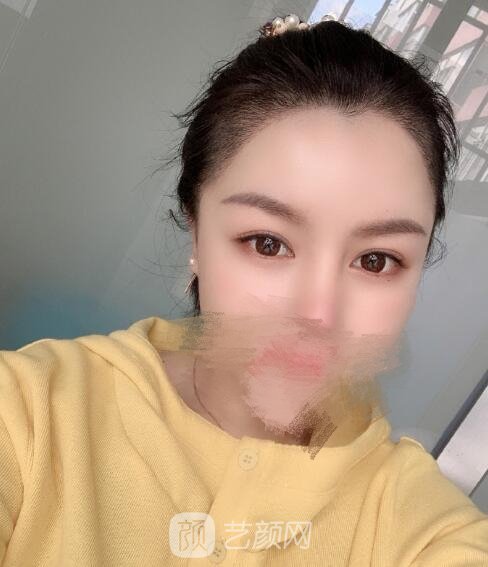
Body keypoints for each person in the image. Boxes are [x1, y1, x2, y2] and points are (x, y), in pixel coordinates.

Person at [1, 13, 487, 567]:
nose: (318, 315)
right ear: (195, 230)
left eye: (375, 261)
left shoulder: (421, 531)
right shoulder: (30, 416)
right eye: (267, 244)